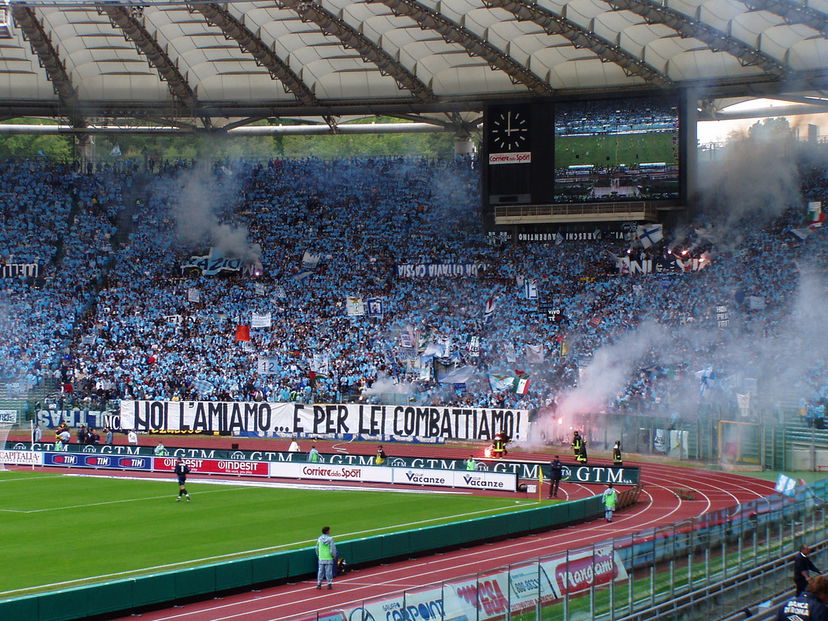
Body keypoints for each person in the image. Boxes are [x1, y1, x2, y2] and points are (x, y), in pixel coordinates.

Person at [315, 526, 337, 590]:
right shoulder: (330, 539)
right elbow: (332, 549)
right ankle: (329, 584)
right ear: (327, 531)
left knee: (320, 571)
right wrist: (333, 556)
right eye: (329, 530)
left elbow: (316, 548)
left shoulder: (319, 539)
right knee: (328, 572)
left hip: (321, 557)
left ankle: (319, 584)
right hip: (328, 558)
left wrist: (318, 555)